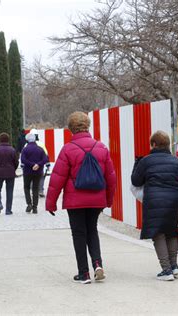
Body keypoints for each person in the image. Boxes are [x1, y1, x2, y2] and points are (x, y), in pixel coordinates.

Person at [46, 112, 116, 284]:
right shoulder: (101, 148)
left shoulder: (67, 149)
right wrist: (108, 200)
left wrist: (51, 203)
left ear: (71, 129)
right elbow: (111, 177)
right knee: (92, 230)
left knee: (79, 234)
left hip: (75, 201)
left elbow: (57, 178)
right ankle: (97, 264)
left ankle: (83, 273)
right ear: (88, 126)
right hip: (96, 199)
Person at [131, 131, 178, 281]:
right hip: (173, 202)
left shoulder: (146, 161)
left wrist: (137, 163)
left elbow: (136, 181)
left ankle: (166, 270)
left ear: (153, 144)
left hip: (154, 202)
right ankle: (174, 266)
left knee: (158, 234)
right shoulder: (176, 162)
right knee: (171, 232)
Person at [21, 133, 49, 214]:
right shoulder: (40, 149)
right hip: (38, 172)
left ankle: (29, 203)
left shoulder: (25, 149)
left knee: (26, 187)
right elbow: (45, 159)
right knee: (35, 188)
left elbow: (23, 160)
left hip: (27, 172)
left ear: (27, 140)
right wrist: (38, 165)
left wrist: (31, 164)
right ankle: (35, 207)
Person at [28, 129, 49, 197]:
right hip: (40, 164)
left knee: (30, 177)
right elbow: (46, 154)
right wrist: (47, 163)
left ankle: (33, 190)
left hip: (30, 164)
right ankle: (40, 190)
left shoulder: (27, 145)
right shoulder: (41, 144)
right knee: (41, 177)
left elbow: (23, 155)